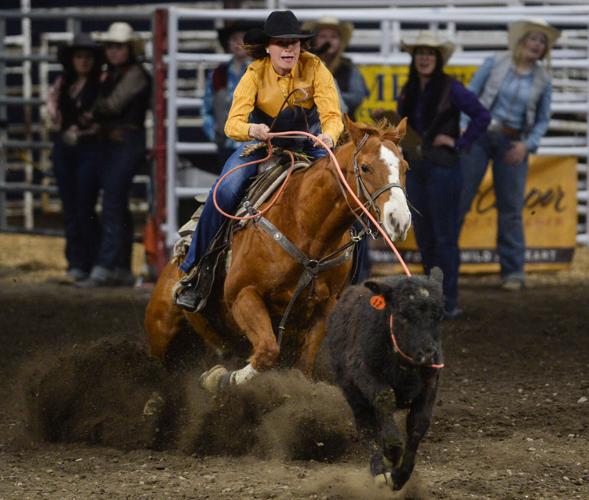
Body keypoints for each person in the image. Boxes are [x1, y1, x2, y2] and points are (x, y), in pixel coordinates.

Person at [175, 10, 343, 311]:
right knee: (224, 191)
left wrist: (329, 136)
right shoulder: (254, 74)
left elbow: (332, 115)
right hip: (263, 146)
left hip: (310, 144)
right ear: (268, 47)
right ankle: (196, 269)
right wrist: (253, 129)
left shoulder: (316, 67)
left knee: (346, 190)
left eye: (294, 42)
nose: (289, 49)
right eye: (281, 43)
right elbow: (231, 124)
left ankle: (346, 278)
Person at [459, 19, 560, 291]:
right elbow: (469, 97)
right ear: (522, 41)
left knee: (511, 209)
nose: (537, 45)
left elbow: (542, 120)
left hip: (514, 142)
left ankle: (513, 271)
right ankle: (445, 265)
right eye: (534, 39)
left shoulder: (543, 80)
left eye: (542, 42)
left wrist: (528, 144)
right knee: (460, 198)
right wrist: (463, 130)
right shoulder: (495, 62)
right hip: (480, 136)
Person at [397, 31, 491, 318]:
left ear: (437, 59)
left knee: (444, 237)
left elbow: (482, 116)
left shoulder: (451, 88)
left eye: (430, 53)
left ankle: (448, 300)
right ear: (415, 58)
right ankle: (435, 297)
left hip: (443, 167)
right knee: (426, 236)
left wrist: (460, 143)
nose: (424, 57)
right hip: (419, 168)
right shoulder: (409, 89)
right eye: (420, 53)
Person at [77, 22, 152, 288]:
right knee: (115, 203)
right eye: (110, 46)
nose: (112, 51)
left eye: (118, 46)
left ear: (129, 48)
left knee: (112, 202)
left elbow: (112, 105)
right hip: (114, 141)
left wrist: (87, 111)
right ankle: (119, 265)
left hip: (126, 140)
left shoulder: (135, 75)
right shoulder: (117, 74)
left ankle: (107, 265)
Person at [47, 33, 104, 282]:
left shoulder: (100, 83)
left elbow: (100, 117)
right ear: (71, 59)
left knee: (83, 205)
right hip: (65, 148)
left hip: (89, 148)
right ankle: (76, 262)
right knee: (71, 207)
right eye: (79, 56)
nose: (83, 61)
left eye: (88, 57)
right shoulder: (63, 83)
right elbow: (51, 112)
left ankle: (89, 261)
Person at [202, 22, 257, 167]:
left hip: (254, 143)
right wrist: (215, 134)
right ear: (228, 43)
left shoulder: (261, 70)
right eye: (234, 39)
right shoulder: (217, 73)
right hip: (225, 142)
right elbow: (206, 108)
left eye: (243, 39)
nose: (238, 43)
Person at [303, 16, 369, 120]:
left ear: (340, 41)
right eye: (323, 36)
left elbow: (357, 97)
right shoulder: (305, 64)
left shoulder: (349, 67)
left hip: (344, 125)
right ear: (315, 40)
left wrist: (325, 96)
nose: (328, 40)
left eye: (333, 36)